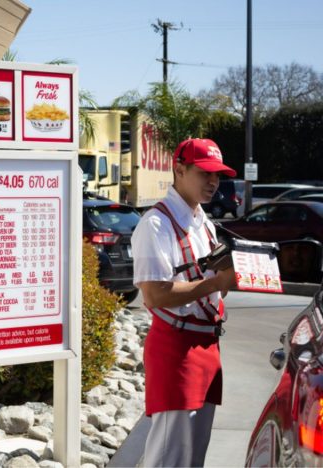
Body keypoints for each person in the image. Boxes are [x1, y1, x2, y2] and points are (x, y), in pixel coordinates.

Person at [131, 138, 239, 467]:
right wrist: (218, 281)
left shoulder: (202, 221)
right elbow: (155, 294)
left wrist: (234, 276)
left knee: (193, 456)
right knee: (169, 456)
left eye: (218, 175)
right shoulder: (156, 223)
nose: (213, 182)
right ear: (179, 170)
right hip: (176, 348)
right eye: (204, 172)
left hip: (205, 345)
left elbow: (218, 288)